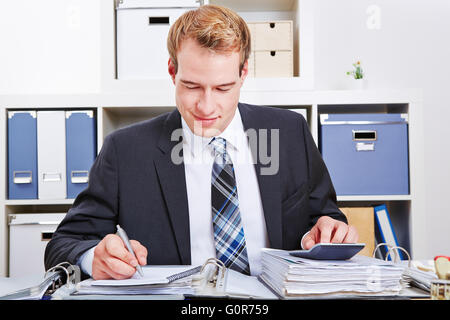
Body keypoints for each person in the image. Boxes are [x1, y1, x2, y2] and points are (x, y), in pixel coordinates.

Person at [45, 5, 358, 280]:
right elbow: (63, 244)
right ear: (172, 72)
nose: (206, 108)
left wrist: (330, 232)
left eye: (223, 88)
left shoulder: (290, 133)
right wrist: (93, 258)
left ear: (244, 73)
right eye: (192, 86)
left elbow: (325, 220)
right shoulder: (124, 151)